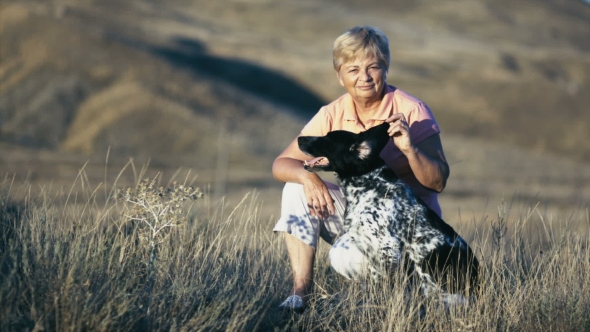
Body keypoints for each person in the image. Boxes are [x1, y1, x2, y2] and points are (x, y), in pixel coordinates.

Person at [271, 26, 450, 311]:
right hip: (358, 218)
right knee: (295, 187)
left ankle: (391, 298)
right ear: (340, 76)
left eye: (373, 67)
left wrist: (409, 150)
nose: (364, 77)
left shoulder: (414, 112)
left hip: (408, 233)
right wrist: (309, 178)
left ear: (386, 68)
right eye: (352, 69)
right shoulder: (331, 113)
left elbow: (438, 182)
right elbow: (282, 163)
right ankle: (300, 294)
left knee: (348, 258)